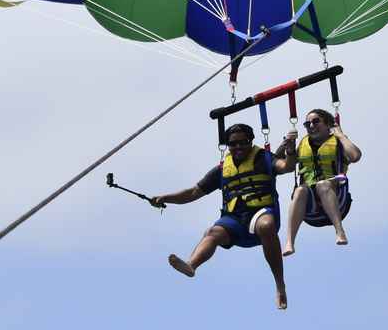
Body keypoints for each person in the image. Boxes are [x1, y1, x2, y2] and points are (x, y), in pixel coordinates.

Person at [152, 122, 297, 310]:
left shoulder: (264, 158)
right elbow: (193, 192)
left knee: (266, 225)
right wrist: (166, 198)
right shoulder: (222, 169)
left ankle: (280, 285)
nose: (238, 147)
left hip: (260, 214)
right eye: (233, 144)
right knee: (212, 232)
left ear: (251, 141)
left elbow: (287, 166)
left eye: (243, 142)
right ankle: (191, 265)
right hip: (234, 221)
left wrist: (290, 151)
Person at [283, 108, 361, 256]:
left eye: (316, 121)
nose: (311, 126)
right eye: (307, 124)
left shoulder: (338, 142)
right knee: (299, 190)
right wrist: (289, 149)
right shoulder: (303, 144)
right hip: (310, 209)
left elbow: (355, 156)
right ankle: (289, 242)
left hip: (338, 197)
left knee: (323, 185)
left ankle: (339, 231)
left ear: (328, 125)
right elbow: (287, 166)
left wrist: (341, 135)